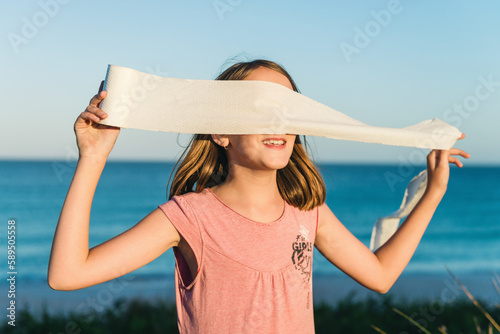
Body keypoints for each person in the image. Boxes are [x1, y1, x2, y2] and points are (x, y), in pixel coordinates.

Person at [48, 59, 469, 333]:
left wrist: (431, 193)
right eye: (259, 109)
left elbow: (380, 275)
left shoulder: (308, 213)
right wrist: (93, 157)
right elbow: (67, 274)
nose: (279, 123)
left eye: (287, 110)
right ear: (221, 130)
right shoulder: (190, 217)